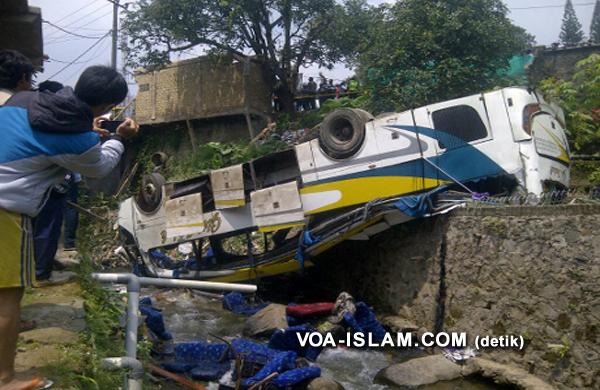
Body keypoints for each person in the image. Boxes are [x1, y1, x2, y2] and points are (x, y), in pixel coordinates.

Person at [0, 65, 138, 390]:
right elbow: (99, 167)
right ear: (106, 107)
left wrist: (86, 130)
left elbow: (38, 133)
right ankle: (4, 378)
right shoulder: (76, 140)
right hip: (4, 208)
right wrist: (119, 137)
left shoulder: (25, 99)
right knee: (7, 294)